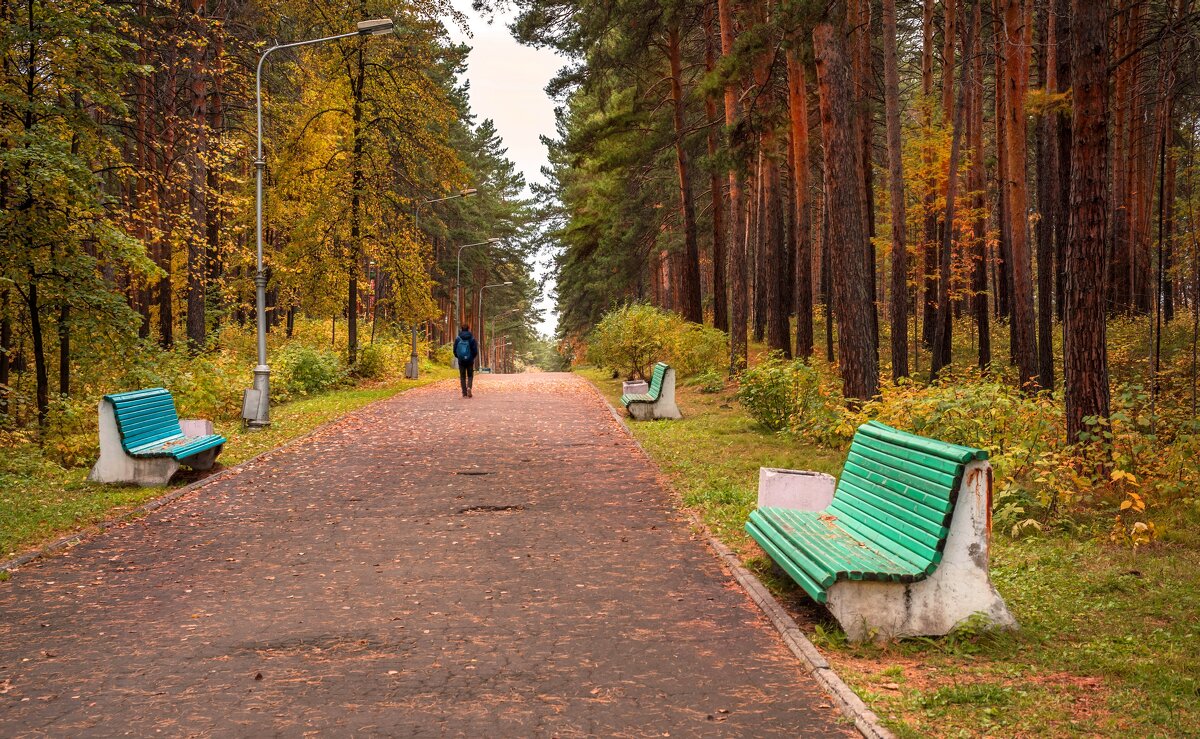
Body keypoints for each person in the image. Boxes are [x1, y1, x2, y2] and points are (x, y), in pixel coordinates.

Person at [453, 324, 479, 398]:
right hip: (470, 360)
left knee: (462, 376)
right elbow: (475, 350)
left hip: (461, 361)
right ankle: (469, 387)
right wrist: (472, 357)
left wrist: (458, 357)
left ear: (461, 329)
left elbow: (454, 350)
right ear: (468, 329)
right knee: (470, 375)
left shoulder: (458, 338)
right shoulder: (472, 338)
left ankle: (464, 393)